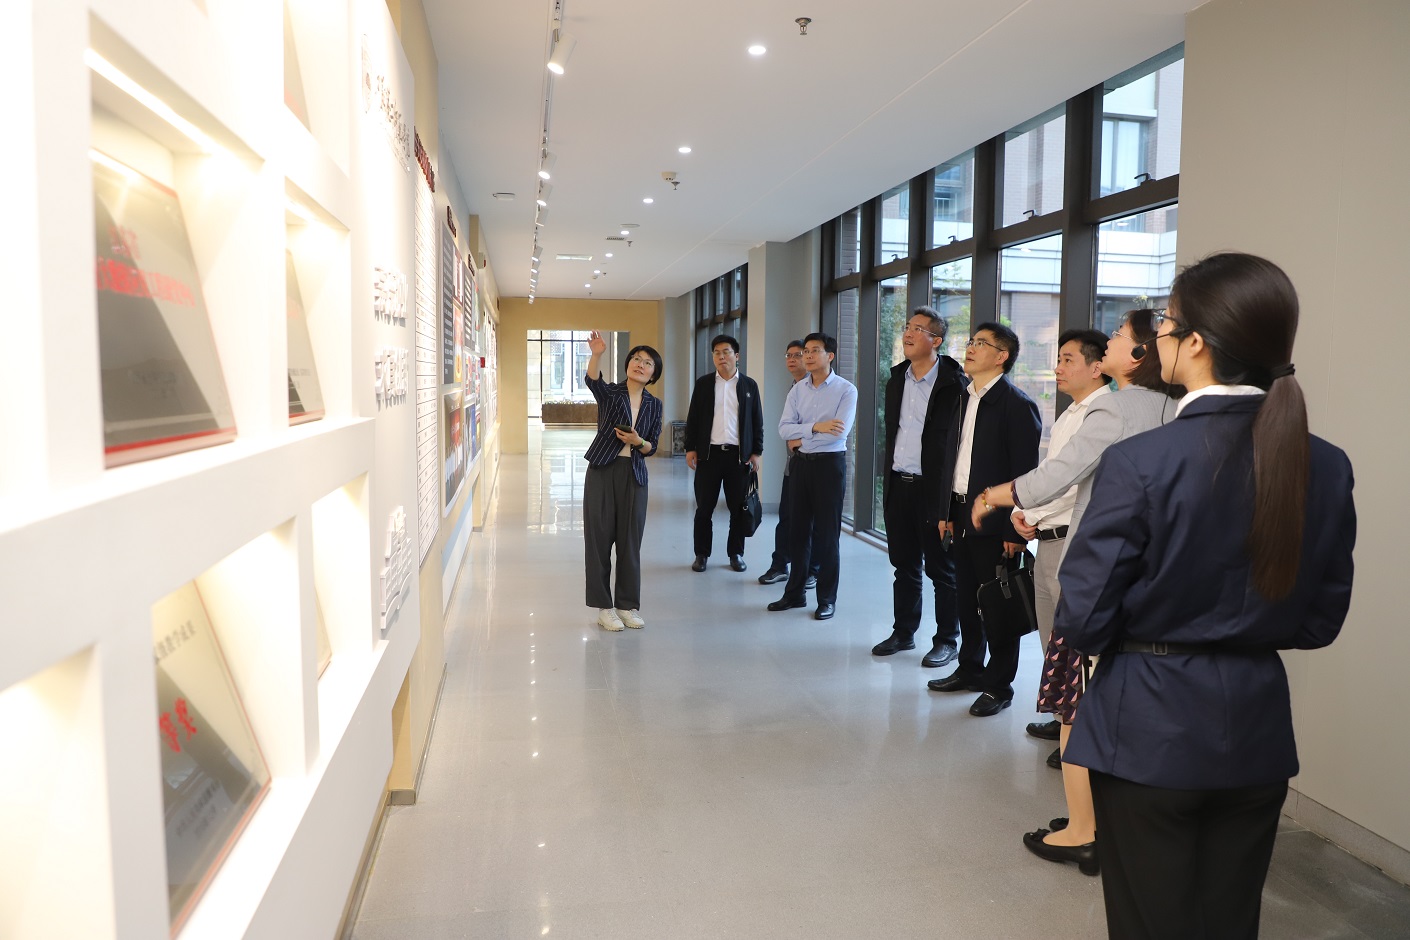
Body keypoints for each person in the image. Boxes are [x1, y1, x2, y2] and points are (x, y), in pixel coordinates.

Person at [1060, 253, 1356, 938]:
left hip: (1147, 725)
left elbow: (1084, 613)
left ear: (1195, 342)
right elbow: (1319, 621)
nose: (1156, 340)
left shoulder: (1143, 460)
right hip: (1257, 727)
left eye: (1164, 326)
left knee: (1150, 921)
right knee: (1229, 921)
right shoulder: (1326, 463)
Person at [971, 311, 1172, 874]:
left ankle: (1083, 831)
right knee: (1115, 701)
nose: (1109, 342)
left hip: (1098, 570)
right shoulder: (1174, 409)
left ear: (1140, 355)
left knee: (1076, 702)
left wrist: (993, 496)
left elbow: (1058, 476)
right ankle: (1112, 820)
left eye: (1119, 337)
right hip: (1146, 576)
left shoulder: (1116, 408)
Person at [926, 322, 1040, 716]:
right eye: (971, 341)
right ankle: (970, 669)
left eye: (981, 343)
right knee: (966, 599)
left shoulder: (1017, 405)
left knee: (998, 606)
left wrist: (1014, 531)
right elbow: (951, 461)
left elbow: (1025, 474)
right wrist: (946, 511)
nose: (970, 347)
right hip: (961, 513)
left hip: (997, 523)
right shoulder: (964, 396)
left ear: (1002, 356)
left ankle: (999, 686)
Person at [870, 308, 968, 667]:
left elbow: (958, 446)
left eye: (918, 329)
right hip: (900, 484)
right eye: (907, 327)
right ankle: (904, 632)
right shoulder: (897, 379)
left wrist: (949, 502)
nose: (908, 334)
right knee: (904, 565)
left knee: (942, 570)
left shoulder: (955, 385)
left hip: (934, 490)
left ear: (936, 340)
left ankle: (947, 640)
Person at [767, 332, 857, 621]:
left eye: (814, 350)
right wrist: (817, 427)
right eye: (805, 350)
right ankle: (794, 594)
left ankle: (827, 599)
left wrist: (801, 434)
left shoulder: (846, 390)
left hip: (829, 467)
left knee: (827, 536)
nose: (806, 355)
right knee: (797, 533)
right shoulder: (797, 391)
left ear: (830, 356)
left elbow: (839, 433)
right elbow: (783, 429)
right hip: (801, 466)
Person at [581, 332, 664, 632]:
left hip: (634, 475)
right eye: (636, 359)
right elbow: (593, 381)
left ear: (653, 374)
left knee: (630, 542)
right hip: (603, 470)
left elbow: (652, 446)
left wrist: (638, 441)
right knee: (599, 539)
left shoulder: (654, 405)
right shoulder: (611, 393)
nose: (640, 364)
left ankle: (627, 605)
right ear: (628, 364)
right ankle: (604, 607)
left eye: (648, 363)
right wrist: (596, 355)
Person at [684, 334, 764, 572]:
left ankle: (736, 554)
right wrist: (690, 448)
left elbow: (757, 421)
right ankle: (701, 554)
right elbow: (693, 418)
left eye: (726, 352)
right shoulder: (704, 384)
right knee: (704, 509)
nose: (721, 357)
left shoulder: (749, 386)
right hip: (709, 456)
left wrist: (756, 452)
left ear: (736, 356)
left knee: (738, 509)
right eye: (717, 353)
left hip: (738, 457)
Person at [758, 340, 819, 589]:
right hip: (792, 464)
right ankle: (780, 565)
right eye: (789, 355)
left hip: (814, 464)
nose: (792, 360)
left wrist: (799, 436)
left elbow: (819, 428)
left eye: (798, 355)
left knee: (811, 521)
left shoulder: (817, 388)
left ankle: (812, 570)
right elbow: (785, 428)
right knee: (786, 517)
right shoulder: (794, 387)